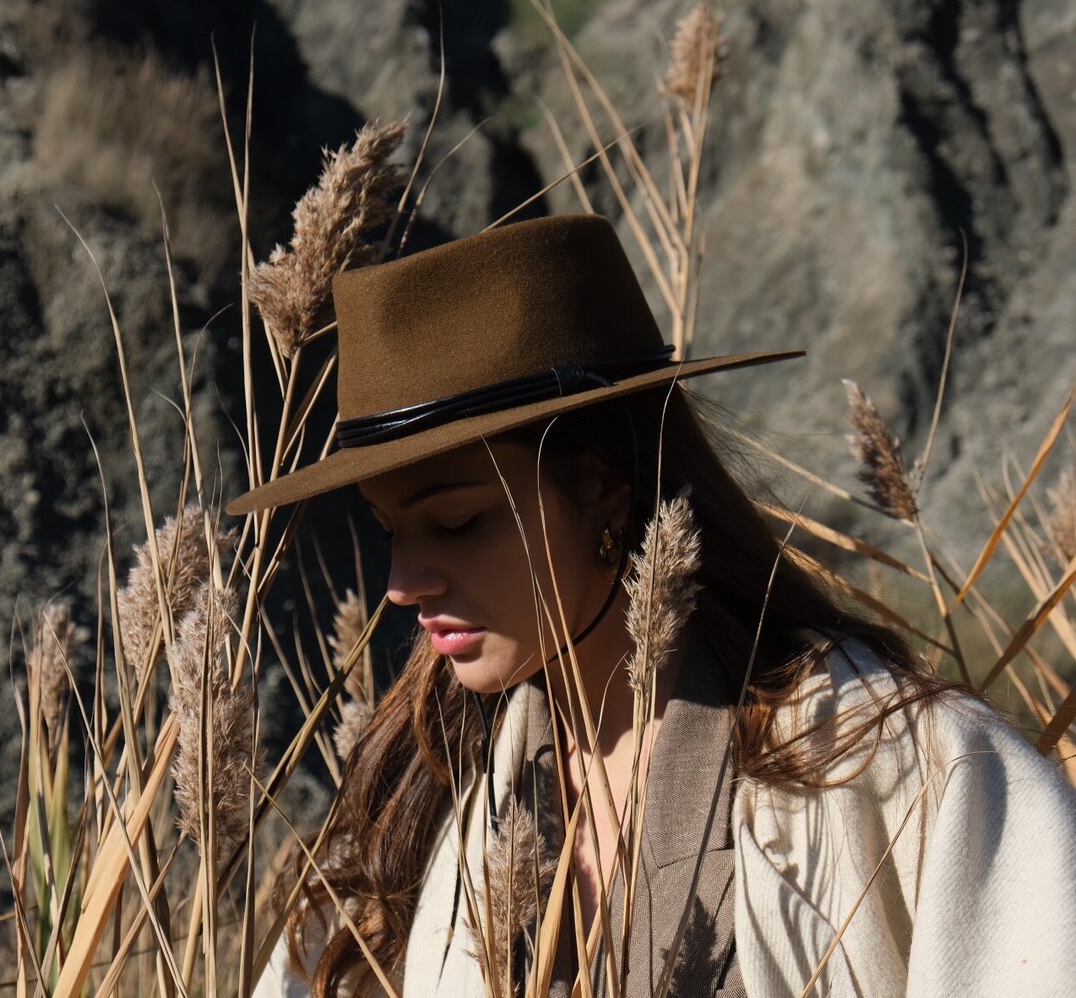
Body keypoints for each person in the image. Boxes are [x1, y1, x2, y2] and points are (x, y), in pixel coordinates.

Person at [225, 214, 1076, 997]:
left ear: (600, 485)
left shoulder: (901, 770)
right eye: (389, 533)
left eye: (456, 522)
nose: (404, 583)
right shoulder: (418, 808)